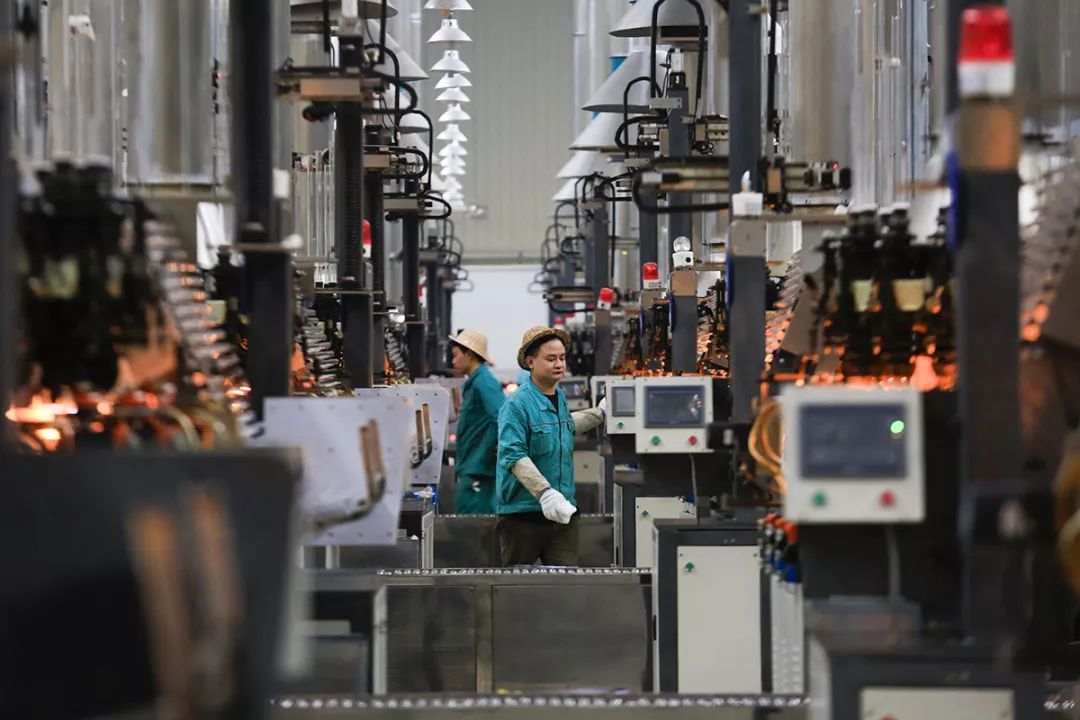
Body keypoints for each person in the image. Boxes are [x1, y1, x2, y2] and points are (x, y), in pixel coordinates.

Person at [495, 326, 606, 565]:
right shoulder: (516, 404)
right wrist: (545, 494)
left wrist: (601, 413)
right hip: (523, 516)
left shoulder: (560, 396)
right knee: (514, 589)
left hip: (563, 512)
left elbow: (564, 426)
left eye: (562, 358)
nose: (559, 364)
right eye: (551, 358)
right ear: (530, 362)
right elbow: (513, 455)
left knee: (564, 590)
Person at [449, 329, 504, 514]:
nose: (452, 361)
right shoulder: (475, 383)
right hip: (472, 465)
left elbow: (502, 419)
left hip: (478, 468)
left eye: (456, 355)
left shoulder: (484, 382)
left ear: (469, 354)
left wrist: (486, 455)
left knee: (472, 523)